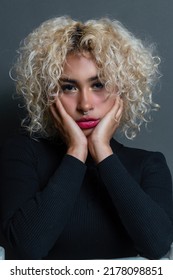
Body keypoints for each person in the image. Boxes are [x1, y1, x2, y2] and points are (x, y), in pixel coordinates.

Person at [0, 16, 173, 260]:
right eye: (69, 87)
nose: (85, 104)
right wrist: (76, 151)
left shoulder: (149, 165)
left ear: (122, 91)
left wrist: (102, 150)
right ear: (49, 93)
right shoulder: (23, 155)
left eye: (99, 84)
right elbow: (23, 251)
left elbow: (157, 247)